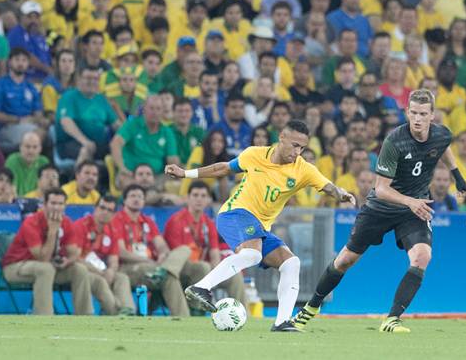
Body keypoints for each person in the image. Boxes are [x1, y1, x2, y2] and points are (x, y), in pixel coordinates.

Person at [291, 89, 466, 333]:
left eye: (423, 114)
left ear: (432, 116)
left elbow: (443, 147)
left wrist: (457, 175)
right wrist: (410, 201)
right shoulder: (395, 141)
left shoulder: (441, 134)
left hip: (412, 209)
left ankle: (392, 318)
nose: (417, 119)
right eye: (413, 113)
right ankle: (311, 307)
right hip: (382, 207)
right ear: (407, 112)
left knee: (422, 257)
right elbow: (381, 189)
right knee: (345, 260)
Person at [164, 120, 356, 331]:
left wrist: (342, 193)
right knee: (253, 255)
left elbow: (328, 186)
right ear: (281, 137)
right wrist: (185, 173)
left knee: (291, 263)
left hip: (260, 228)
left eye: (302, 147)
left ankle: (282, 322)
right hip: (235, 213)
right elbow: (224, 168)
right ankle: (201, 287)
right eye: (294, 145)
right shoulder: (254, 154)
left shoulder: (303, 169)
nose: (298, 152)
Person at [1, 189, 93, 315]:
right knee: (45, 268)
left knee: (80, 269)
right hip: (15, 267)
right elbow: (42, 258)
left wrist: (67, 261)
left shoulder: (66, 222)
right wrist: (52, 232)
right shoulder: (31, 222)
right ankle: (44, 318)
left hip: (47, 267)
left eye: (60, 204)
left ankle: (85, 317)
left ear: (65, 206)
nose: (57, 207)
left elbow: (75, 252)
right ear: (44, 205)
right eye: (53, 203)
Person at [110, 183, 193, 317]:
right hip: (128, 268)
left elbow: (162, 246)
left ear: (144, 202)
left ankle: (164, 271)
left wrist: (162, 255)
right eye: (132, 196)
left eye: (140, 197)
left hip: (152, 268)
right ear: (124, 200)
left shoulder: (147, 221)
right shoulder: (117, 220)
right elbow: (121, 252)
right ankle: (183, 317)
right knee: (168, 276)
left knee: (183, 250)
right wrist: (147, 261)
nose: (136, 199)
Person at [163, 180, 246, 305]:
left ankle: (245, 315)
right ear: (187, 198)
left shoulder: (209, 223)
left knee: (235, 275)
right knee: (202, 267)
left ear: (208, 200)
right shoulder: (176, 220)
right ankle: (197, 310)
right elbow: (177, 254)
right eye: (195, 195)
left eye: (203, 196)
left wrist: (219, 272)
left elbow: (214, 253)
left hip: (204, 269)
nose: (199, 199)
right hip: (182, 268)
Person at [74, 194, 135, 315]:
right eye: (102, 208)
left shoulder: (112, 230)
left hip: (101, 271)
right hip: (82, 270)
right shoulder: (80, 225)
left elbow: (113, 260)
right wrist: (100, 272)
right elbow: (75, 258)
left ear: (113, 215)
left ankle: (128, 310)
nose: (105, 212)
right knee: (99, 281)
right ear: (95, 209)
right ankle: (116, 312)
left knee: (121, 277)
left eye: (110, 210)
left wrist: (111, 271)